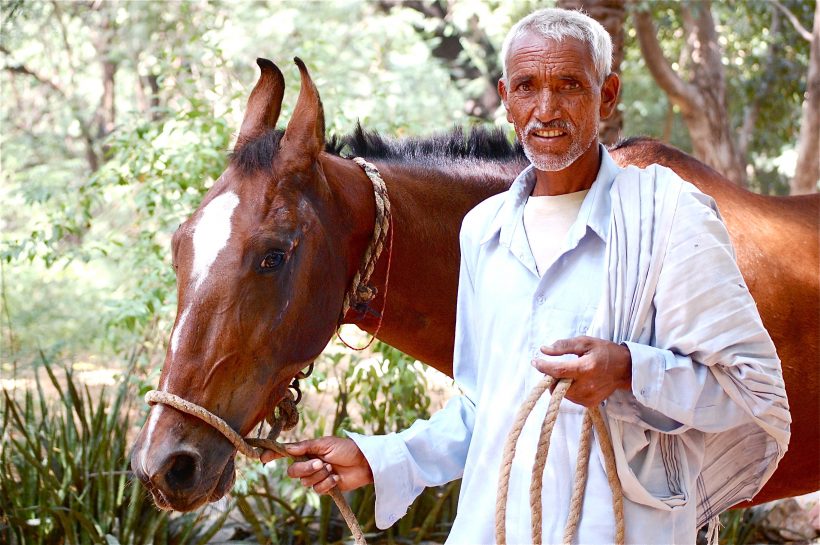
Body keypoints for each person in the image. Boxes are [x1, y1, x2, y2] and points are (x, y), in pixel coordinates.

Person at [261, 8, 790, 544]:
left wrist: (629, 369)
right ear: (505, 99)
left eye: (569, 86)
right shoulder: (483, 230)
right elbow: (487, 408)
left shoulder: (670, 216)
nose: (547, 109)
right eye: (528, 87)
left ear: (606, 96)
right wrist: (380, 458)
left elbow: (753, 393)